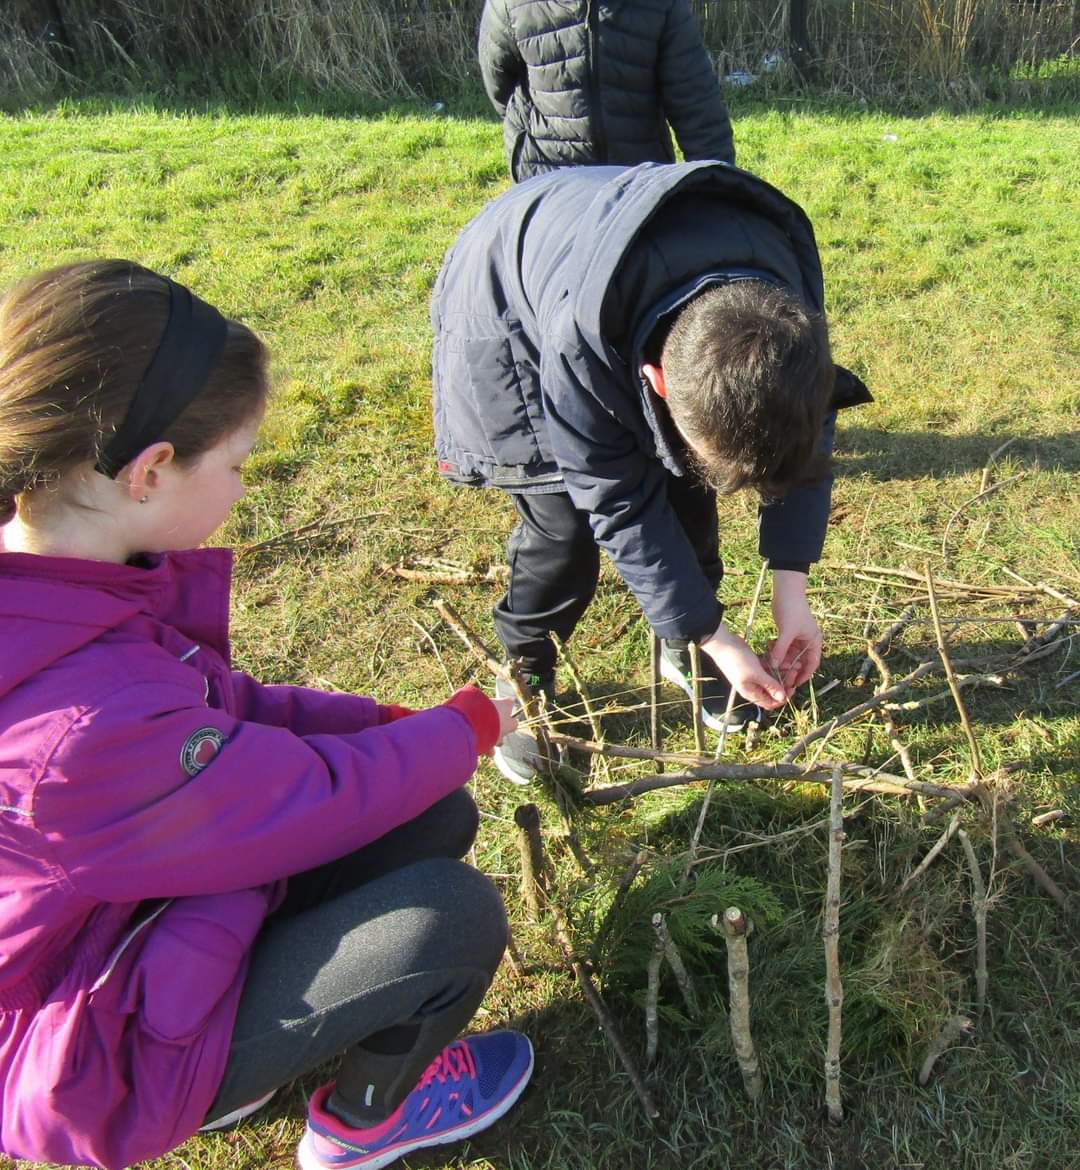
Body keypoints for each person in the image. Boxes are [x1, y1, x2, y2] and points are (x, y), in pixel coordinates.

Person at [0, 260, 533, 1170]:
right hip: (84, 1052)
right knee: (450, 917)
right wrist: (465, 729)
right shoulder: (79, 730)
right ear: (151, 471)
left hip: (132, 921)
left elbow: (227, 709)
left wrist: (389, 721)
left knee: (434, 808)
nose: (246, 489)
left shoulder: (63, 592)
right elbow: (307, 797)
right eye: (239, 465)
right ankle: (360, 1126)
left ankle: (234, 1055)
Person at [431, 160, 871, 783]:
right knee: (565, 528)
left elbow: (804, 433)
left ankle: (687, 645)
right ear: (657, 383)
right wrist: (718, 634)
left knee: (688, 481)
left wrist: (787, 591)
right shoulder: (575, 341)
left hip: (629, 263)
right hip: (511, 305)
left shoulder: (785, 311)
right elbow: (615, 498)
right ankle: (524, 675)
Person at [479, 0, 735, 182]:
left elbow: (697, 107)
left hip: (636, 184)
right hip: (546, 180)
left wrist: (716, 190)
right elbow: (500, 85)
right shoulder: (511, 4)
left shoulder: (661, 6)